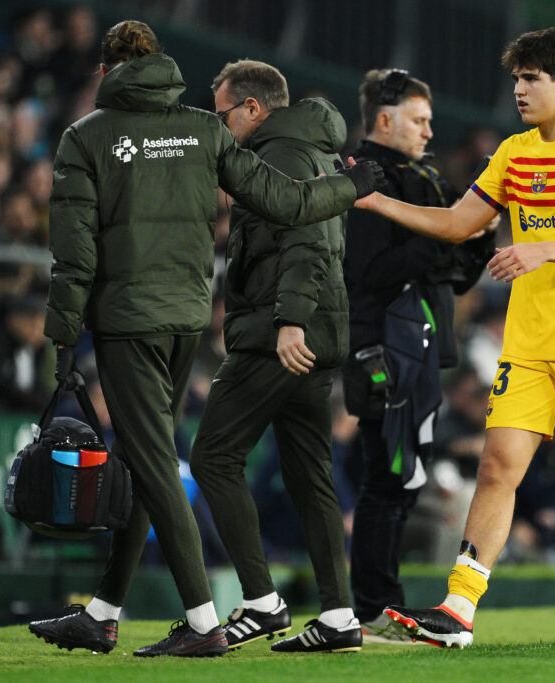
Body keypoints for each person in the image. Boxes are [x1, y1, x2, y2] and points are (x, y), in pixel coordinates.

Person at [27, 20, 381, 658]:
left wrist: (61, 338)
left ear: (106, 72)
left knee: (165, 461)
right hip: (189, 316)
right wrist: (350, 186)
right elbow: (288, 202)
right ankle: (105, 613)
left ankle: (202, 622)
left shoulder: (86, 136)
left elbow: (72, 254)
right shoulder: (204, 128)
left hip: (127, 318)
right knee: (147, 458)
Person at [358, 27, 555, 648]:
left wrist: (541, 249)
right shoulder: (513, 151)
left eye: (531, 78)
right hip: (529, 341)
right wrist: (377, 202)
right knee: (496, 468)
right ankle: (457, 610)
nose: (519, 90)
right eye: (516, 79)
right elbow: (457, 222)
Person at [187, 59, 363, 654]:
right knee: (309, 474)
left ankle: (262, 602)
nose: (220, 126)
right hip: (315, 329)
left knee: (211, 456)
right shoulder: (314, 149)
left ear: (254, 109)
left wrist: (288, 320)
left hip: (280, 331)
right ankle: (339, 616)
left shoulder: (278, 155)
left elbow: (308, 240)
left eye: (222, 114)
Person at [342, 68, 494, 644]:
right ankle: (374, 607)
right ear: (385, 119)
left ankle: (380, 604)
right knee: (388, 479)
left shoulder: (424, 177)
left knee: (404, 480)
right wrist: (445, 236)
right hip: (383, 344)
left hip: (422, 347)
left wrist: (474, 242)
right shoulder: (360, 179)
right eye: (419, 119)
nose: (429, 130)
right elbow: (368, 272)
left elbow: (451, 278)